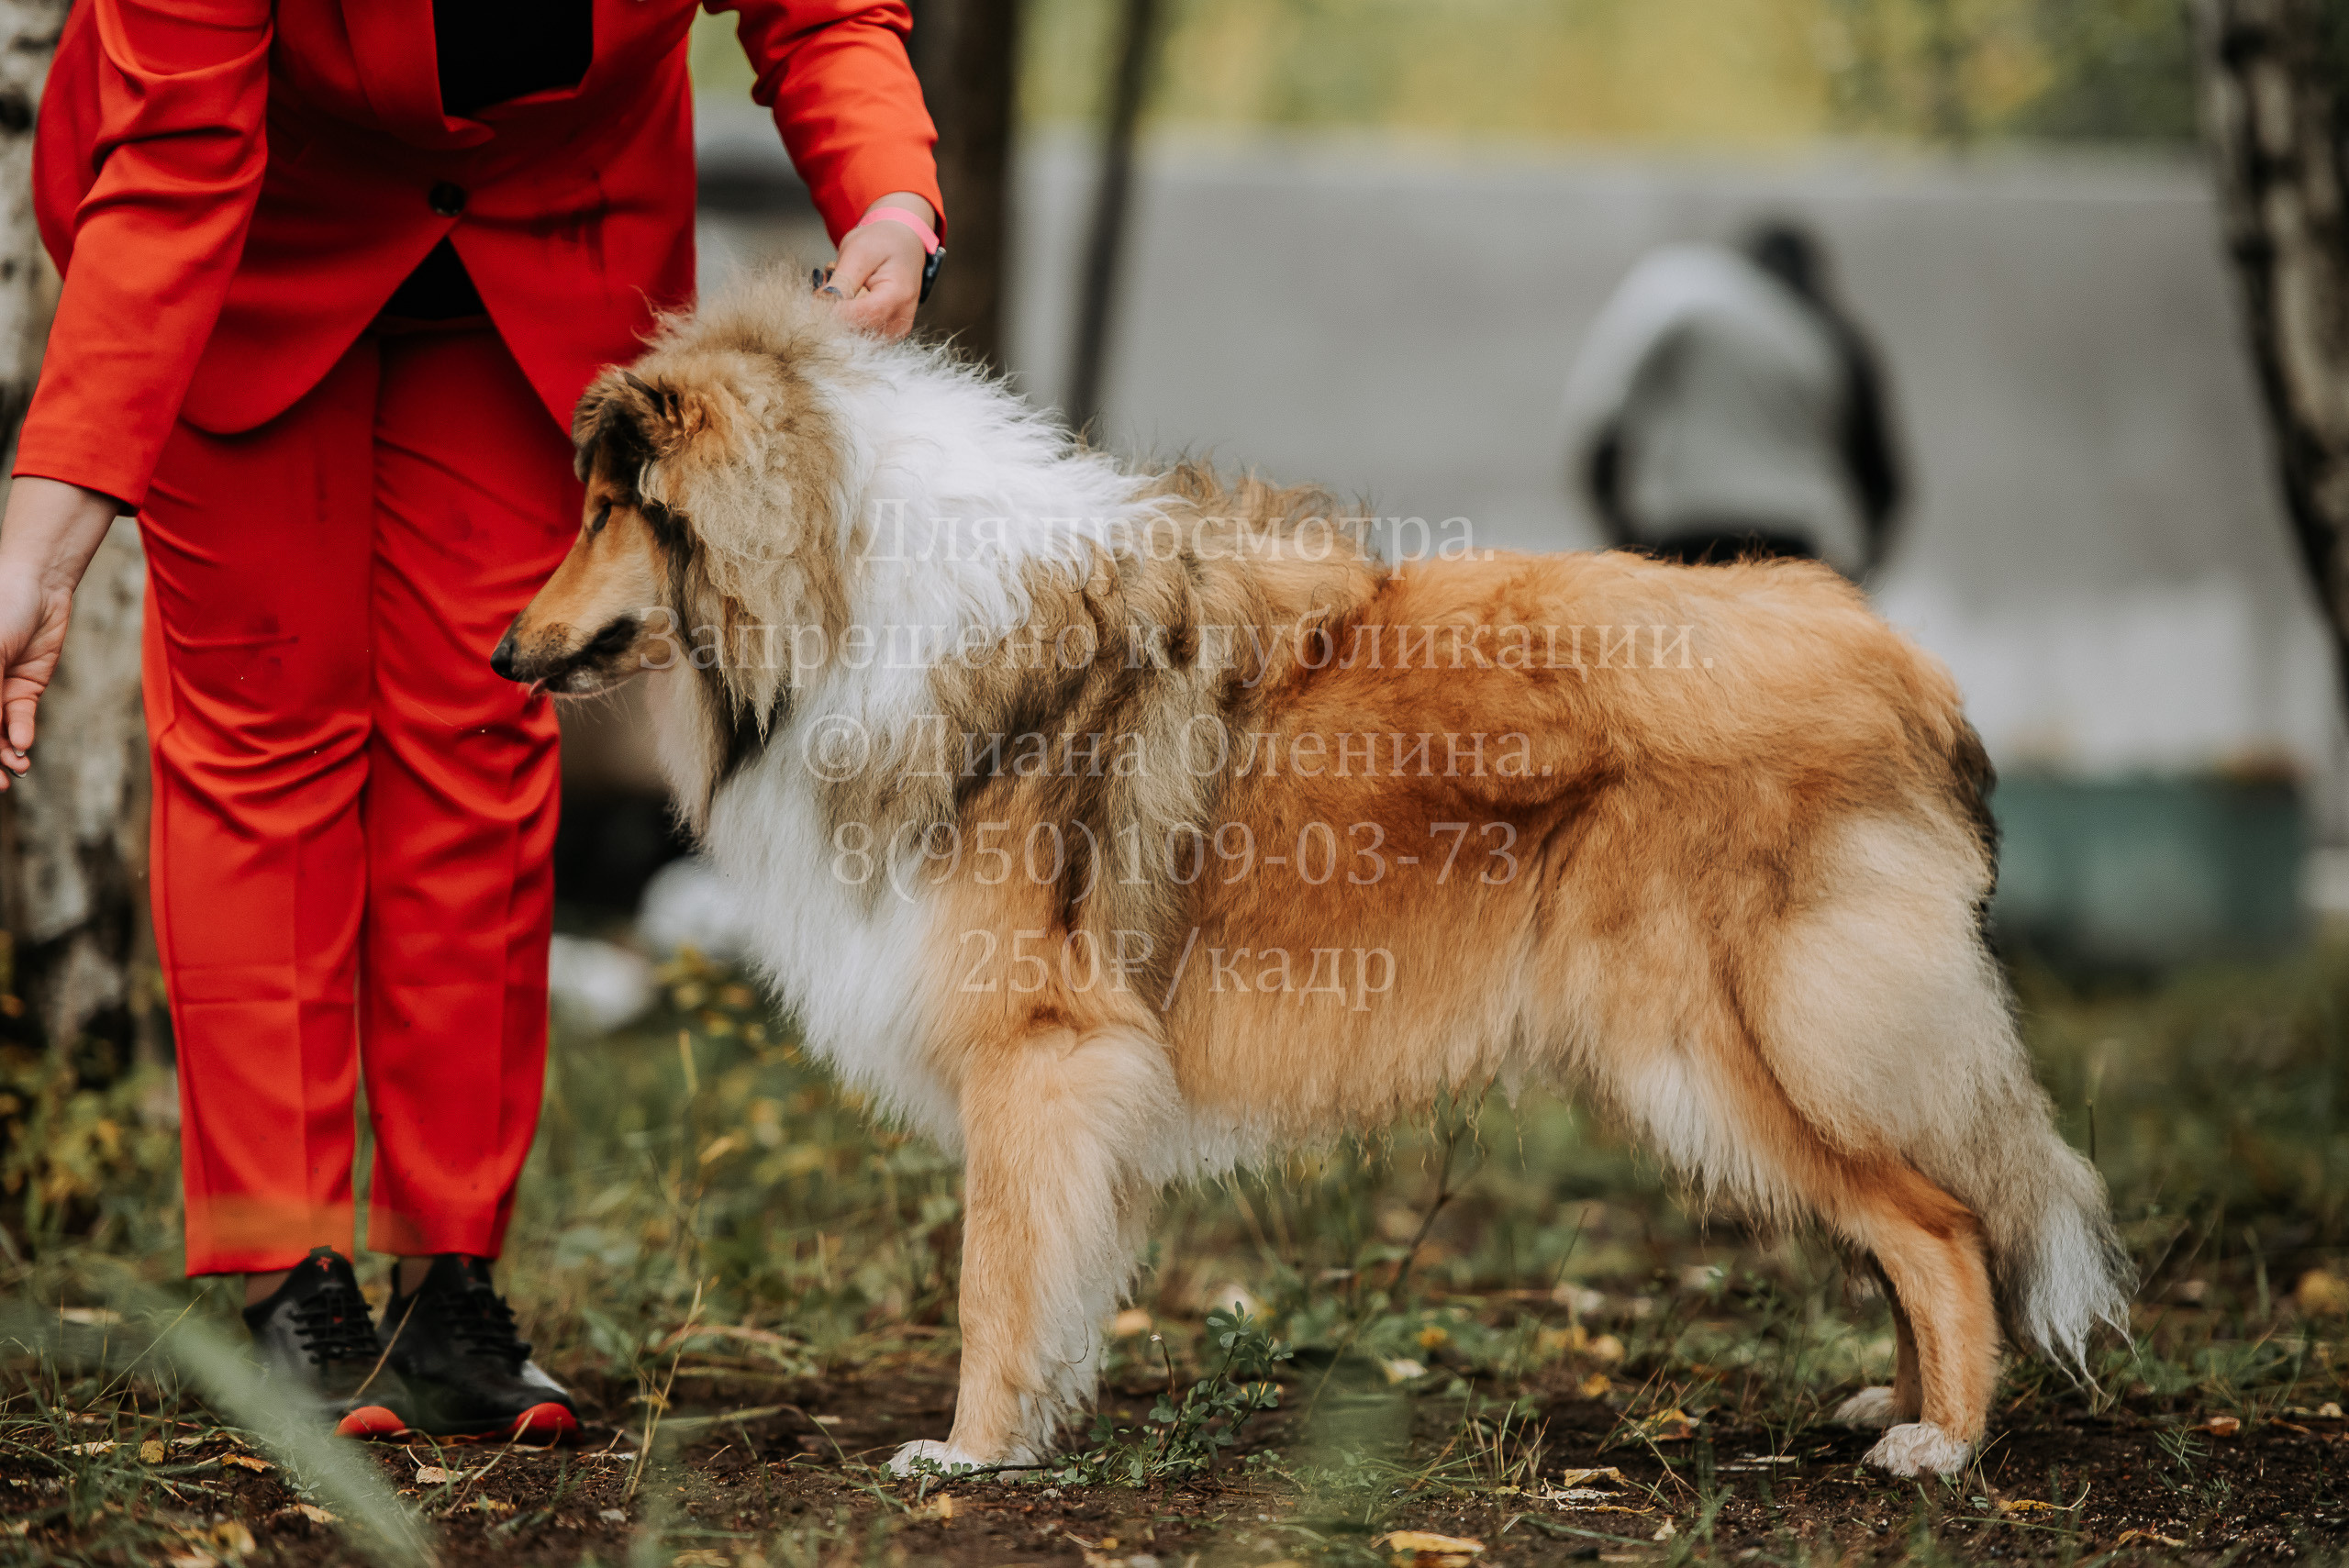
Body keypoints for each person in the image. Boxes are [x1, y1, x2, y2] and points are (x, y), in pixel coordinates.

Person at [0, 0, 944, 1441]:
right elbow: (179, 153)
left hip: (538, 261)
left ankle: (451, 1285)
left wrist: (889, 197)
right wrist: (43, 545)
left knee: (482, 727)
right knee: (268, 725)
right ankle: (285, 1281)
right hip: (232, 248)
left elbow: (821, 15)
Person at [1563, 219, 1904, 579]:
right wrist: (1855, 578)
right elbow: (1882, 485)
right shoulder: (1828, 336)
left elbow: (1604, 426)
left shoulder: (1684, 295)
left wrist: (1622, 538)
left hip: (1682, 533)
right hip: (1787, 548)